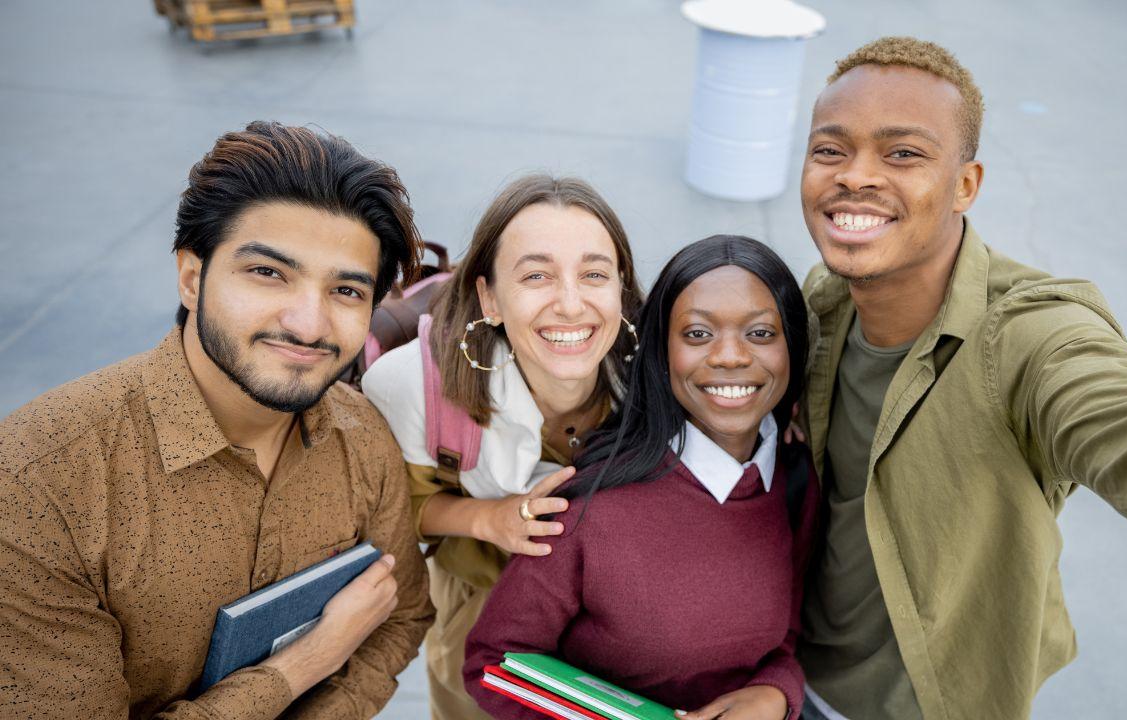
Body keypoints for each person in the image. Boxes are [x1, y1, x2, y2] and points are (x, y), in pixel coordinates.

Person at [794, 37, 1127, 720]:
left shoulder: (1028, 333)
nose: (855, 175)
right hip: (789, 678)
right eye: (830, 149)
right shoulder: (824, 298)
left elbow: (1123, 418)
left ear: (966, 185)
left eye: (903, 153)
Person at [0, 121, 433, 719]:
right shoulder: (38, 483)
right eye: (268, 273)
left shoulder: (362, 437)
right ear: (192, 275)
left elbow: (402, 615)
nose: (309, 325)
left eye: (346, 291)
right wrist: (305, 664)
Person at [463, 235, 820, 720]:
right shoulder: (591, 502)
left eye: (760, 334)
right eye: (697, 334)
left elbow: (785, 643)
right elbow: (494, 662)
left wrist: (774, 695)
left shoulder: (795, 481)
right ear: (661, 352)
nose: (731, 356)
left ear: (792, 348)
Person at [361, 174, 645, 720]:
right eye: (536, 275)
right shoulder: (416, 385)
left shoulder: (664, 375)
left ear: (621, 288)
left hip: (612, 624)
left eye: (593, 274)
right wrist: (492, 519)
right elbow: (395, 513)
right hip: (481, 605)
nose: (569, 303)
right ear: (489, 296)